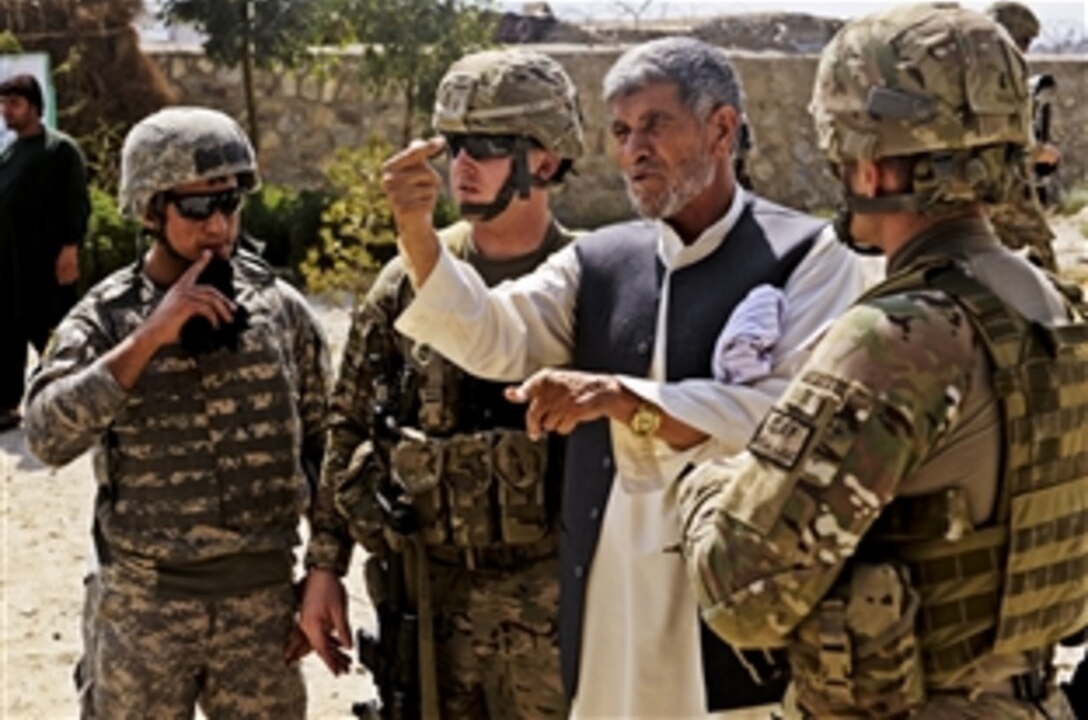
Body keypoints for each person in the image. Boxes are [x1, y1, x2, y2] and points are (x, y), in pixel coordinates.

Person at [382, 37, 863, 717]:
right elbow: (492, 334)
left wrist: (619, 398)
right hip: (611, 597)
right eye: (621, 130)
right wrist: (416, 230)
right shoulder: (602, 259)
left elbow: (787, 417)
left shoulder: (808, 255)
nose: (634, 148)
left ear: (722, 127)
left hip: (734, 596)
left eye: (654, 124)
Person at [679, 4, 1083, 718]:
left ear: (867, 161)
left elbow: (740, 594)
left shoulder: (897, 339)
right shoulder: (1054, 307)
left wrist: (709, 484)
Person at [298, 49, 583, 718]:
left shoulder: (594, 280)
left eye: (486, 147)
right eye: (452, 146)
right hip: (433, 601)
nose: (461, 166)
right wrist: (323, 568)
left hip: (557, 605)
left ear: (545, 158)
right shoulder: (404, 281)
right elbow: (349, 424)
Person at [23, 106, 333, 719]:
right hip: (143, 616)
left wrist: (324, 572)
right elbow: (46, 436)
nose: (220, 224)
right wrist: (147, 340)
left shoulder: (280, 312)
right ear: (150, 210)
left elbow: (326, 448)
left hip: (260, 613)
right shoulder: (107, 317)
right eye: (197, 208)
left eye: (231, 202)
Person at [0, 73, 89, 431]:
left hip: (46, 264)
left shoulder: (60, 150)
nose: (6, 111)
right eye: (3, 104)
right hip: (8, 265)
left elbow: (76, 202)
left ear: (34, 107)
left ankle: (72, 403)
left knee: (56, 335)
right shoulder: (9, 152)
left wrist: (70, 247)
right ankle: (7, 407)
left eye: (14, 103)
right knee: (5, 338)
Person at [985, 1, 1062, 271]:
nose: (1025, 50)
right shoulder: (1004, 78)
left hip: (964, 195)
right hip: (1003, 188)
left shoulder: (964, 74)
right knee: (1044, 269)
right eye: (1025, 41)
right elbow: (1006, 141)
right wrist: (1042, 152)